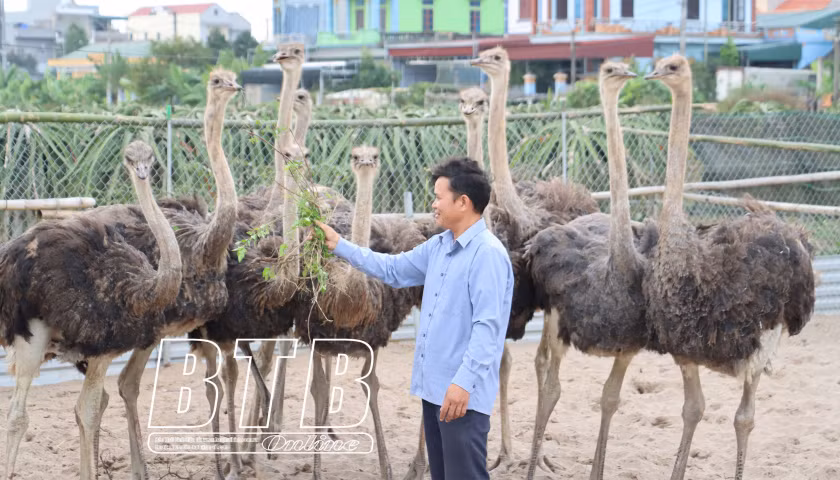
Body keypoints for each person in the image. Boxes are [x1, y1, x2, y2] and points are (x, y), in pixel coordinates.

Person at [314, 156, 513, 479]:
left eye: (439, 197)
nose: (433, 204)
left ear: (463, 202)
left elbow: (487, 329)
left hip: (461, 396)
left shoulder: (487, 255)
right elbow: (392, 270)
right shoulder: (439, 246)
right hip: (435, 392)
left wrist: (463, 383)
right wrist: (340, 245)